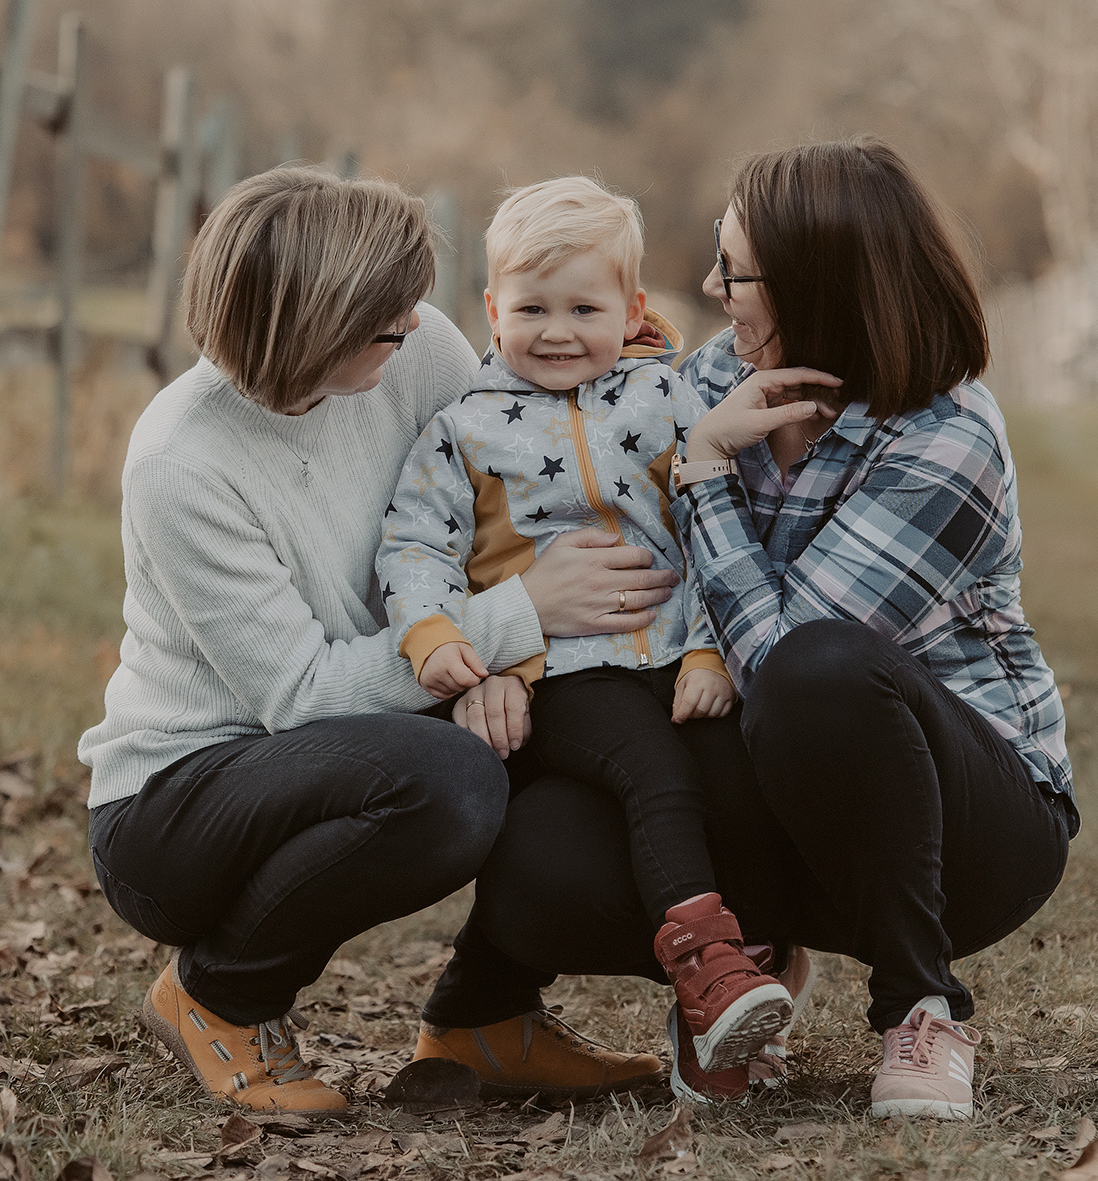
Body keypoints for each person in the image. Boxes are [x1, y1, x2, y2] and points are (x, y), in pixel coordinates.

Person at [418, 137, 1077, 1119]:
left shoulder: (946, 433)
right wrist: (502, 643)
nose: (709, 285)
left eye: (733, 268)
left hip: (963, 822)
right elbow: (541, 443)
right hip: (781, 794)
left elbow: (779, 664)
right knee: (537, 859)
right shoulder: (712, 374)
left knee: (817, 671)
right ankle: (740, 954)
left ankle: (919, 1005)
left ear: (815, 286)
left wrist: (707, 473)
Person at [77, 166, 681, 1112]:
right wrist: (519, 614)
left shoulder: (413, 344)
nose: (415, 333)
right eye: (386, 324)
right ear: (315, 328)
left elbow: (507, 480)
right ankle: (221, 994)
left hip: (396, 705)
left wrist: (502, 672)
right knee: (449, 782)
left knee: (575, 719)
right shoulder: (182, 462)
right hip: (185, 804)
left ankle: (485, 1014)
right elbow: (301, 696)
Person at [379, 177, 792, 1080]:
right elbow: (415, 548)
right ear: (491, 309)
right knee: (657, 775)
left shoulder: (664, 400)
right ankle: (708, 976)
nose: (557, 330)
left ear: (633, 308)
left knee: (733, 775)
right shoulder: (464, 431)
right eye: (531, 307)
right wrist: (440, 638)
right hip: (561, 674)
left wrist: (712, 647)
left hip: (676, 655)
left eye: (583, 306)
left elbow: (720, 533)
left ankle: (727, 1006)